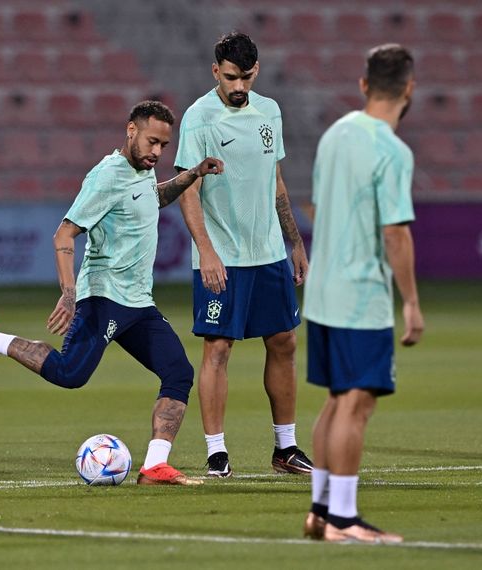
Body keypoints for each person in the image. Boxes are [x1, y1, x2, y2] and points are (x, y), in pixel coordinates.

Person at [0, 101, 224, 486]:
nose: (157, 152)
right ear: (131, 131)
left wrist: (191, 174)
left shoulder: (142, 170)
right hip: (104, 295)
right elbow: (64, 233)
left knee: (178, 372)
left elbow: (151, 197)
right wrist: (69, 292)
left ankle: (155, 465)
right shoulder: (106, 175)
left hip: (138, 302)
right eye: (152, 141)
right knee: (70, 374)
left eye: (164, 145)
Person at [174, 31, 312, 477]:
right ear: (216, 70)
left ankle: (285, 449)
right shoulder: (199, 118)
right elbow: (187, 191)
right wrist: (207, 251)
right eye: (231, 77)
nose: (239, 86)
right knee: (218, 347)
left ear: (256, 71)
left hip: (268, 251)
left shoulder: (269, 111)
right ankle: (216, 452)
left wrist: (294, 242)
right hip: (225, 256)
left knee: (285, 342)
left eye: (246, 77)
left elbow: (276, 182)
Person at [302, 44, 422, 544]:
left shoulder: (335, 135)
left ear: (363, 84)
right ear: (409, 89)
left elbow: (317, 204)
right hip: (359, 292)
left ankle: (320, 511)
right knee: (358, 402)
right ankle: (344, 520)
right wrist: (411, 300)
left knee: (335, 400)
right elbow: (395, 232)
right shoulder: (391, 150)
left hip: (323, 290)